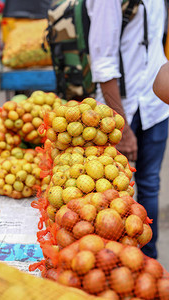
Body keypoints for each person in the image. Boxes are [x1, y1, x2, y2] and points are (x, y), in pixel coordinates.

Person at [86, 0, 169, 259]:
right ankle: (119, 261)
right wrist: (120, 125)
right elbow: (102, 63)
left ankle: (148, 260)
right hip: (120, 110)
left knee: (150, 185)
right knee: (113, 194)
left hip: (156, 108)